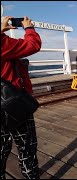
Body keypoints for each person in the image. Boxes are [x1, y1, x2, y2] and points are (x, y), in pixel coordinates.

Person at [1, 16, 42, 179]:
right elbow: (33, 44)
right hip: (14, 105)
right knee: (26, 148)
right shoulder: (3, 43)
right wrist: (29, 28)